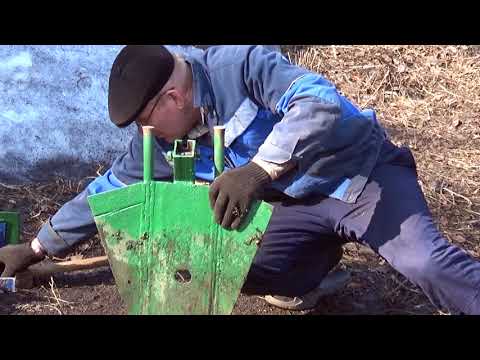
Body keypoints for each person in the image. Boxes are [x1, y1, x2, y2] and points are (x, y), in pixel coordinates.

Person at [1, 45, 479, 314]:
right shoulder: (165, 138)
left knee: (426, 263)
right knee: (229, 264)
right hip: (294, 207)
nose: (146, 136)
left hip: (360, 177)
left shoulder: (242, 66)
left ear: (172, 97)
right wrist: (39, 247)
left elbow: (320, 105)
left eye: (147, 120)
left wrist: (258, 169)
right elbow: (110, 188)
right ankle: (314, 271)